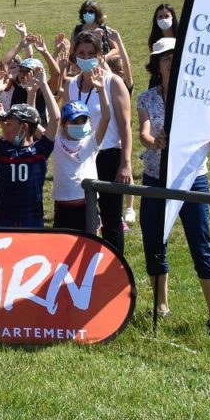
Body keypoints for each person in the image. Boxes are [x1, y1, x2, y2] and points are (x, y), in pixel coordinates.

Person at [136, 38, 210, 336]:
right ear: (156, 65)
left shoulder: (197, 96)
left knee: (201, 244)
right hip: (155, 178)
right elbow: (144, 134)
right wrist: (155, 143)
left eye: (175, 55)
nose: (170, 61)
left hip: (192, 178)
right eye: (164, 57)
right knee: (154, 242)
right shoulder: (147, 98)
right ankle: (161, 305)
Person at [67, 32, 132, 254]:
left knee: (111, 218)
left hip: (108, 156)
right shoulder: (72, 85)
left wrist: (126, 163)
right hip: (82, 157)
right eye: (81, 53)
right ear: (74, 55)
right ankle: (87, 264)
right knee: (83, 216)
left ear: (100, 54)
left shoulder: (113, 82)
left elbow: (125, 126)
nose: (86, 58)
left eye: (91, 53)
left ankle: (115, 268)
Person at [0, 69, 59, 228]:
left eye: (9, 124)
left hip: (32, 221)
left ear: (24, 127)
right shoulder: (4, 150)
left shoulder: (40, 150)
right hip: (4, 221)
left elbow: (56, 118)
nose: (4, 128)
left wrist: (44, 85)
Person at [50, 70, 111, 232]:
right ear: (64, 124)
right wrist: (40, 88)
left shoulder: (91, 141)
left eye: (83, 120)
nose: (80, 125)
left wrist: (101, 90)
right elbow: (40, 123)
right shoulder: (56, 142)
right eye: (74, 121)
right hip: (63, 205)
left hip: (88, 204)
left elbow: (106, 118)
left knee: (88, 247)